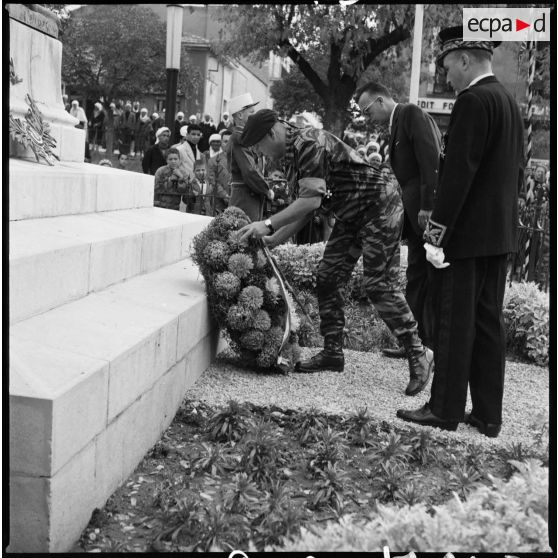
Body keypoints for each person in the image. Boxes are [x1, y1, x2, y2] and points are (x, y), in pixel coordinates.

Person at [237, 109, 433, 396]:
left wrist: (266, 225)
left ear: (272, 133)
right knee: (328, 276)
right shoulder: (292, 155)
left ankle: (419, 354)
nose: (262, 155)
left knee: (379, 285)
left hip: (380, 205)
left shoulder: (308, 143)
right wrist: (273, 240)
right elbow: (305, 210)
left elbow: (310, 201)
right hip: (351, 214)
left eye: (259, 148)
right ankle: (332, 353)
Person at [397, 26, 524, 435]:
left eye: (448, 65)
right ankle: (488, 415)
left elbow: (458, 176)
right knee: (488, 324)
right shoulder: (507, 100)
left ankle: (444, 408)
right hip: (497, 236)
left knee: (454, 322)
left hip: (465, 239)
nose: (447, 75)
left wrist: (436, 234)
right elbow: (515, 172)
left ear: (465, 59)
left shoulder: (472, 100)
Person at [356, 82, 442, 359]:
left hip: (424, 213)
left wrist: (428, 206)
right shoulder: (397, 123)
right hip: (413, 214)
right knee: (416, 274)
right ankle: (414, 344)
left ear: (380, 101)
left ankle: (429, 344)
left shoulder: (411, 114)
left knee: (430, 275)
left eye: (367, 110)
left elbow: (430, 161)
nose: (367, 117)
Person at [226, 93, 273, 222]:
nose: (254, 116)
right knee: (244, 236)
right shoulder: (239, 138)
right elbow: (250, 171)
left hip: (248, 194)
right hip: (244, 197)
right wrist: (266, 190)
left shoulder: (246, 137)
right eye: (251, 112)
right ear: (240, 115)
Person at [206, 136, 231, 216]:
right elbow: (213, 181)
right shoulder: (212, 161)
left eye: (230, 141)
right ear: (221, 143)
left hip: (238, 199)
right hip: (219, 202)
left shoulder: (241, 159)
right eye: (225, 141)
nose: (228, 144)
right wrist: (224, 195)